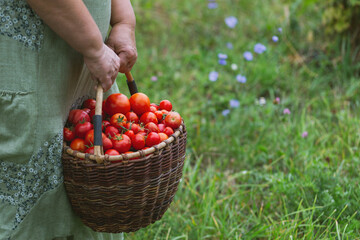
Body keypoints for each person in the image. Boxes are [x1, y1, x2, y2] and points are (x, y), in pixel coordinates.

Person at [0, 0, 137, 239]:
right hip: (33, 69)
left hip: (86, 66)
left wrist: (124, 21)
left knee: (91, 185)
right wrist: (94, 48)